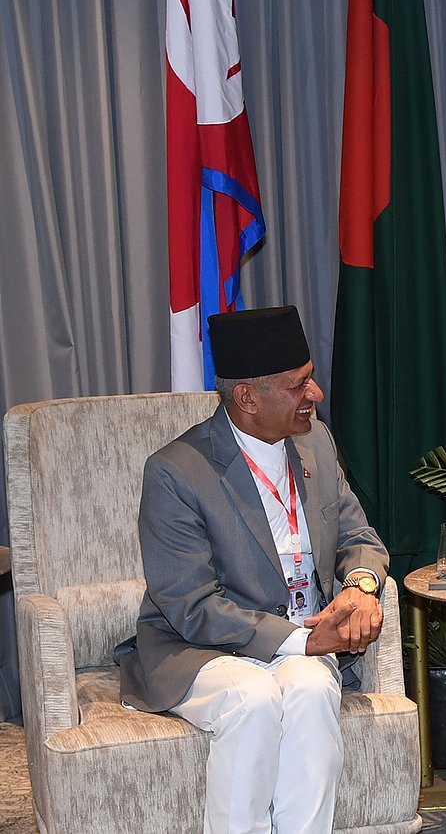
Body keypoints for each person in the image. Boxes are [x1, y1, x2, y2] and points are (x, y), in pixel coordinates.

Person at [118, 305, 389, 834]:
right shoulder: (176, 472)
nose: (316, 395)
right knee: (253, 699)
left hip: (305, 639)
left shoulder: (316, 441)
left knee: (312, 691)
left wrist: (360, 586)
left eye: (311, 378)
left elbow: (359, 538)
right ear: (247, 397)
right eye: (298, 384)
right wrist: (302, 640)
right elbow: (190, 605)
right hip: (200, 648)